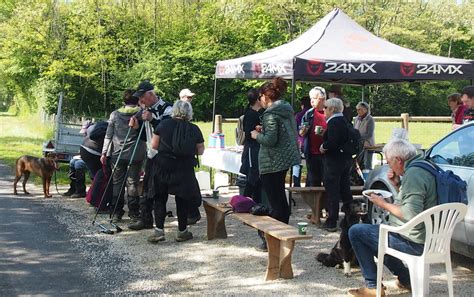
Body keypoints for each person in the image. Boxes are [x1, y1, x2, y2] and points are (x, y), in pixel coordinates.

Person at [348, 139, 437, 297]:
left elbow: (410, 214)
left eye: (389, 162)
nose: (390, 167)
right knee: (377, 234)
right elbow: (414, 202)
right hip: (431, 236)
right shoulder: (426, 166)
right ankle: (406, 279)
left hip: (415, 242)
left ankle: (373, 286)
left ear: (399, 160)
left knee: (356, 232)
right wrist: (396, 185)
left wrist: (382, 203)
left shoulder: (413, 175)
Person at [147, 100, 205, 243]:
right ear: (189, 112)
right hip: (184, 166)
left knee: (160, 197)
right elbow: (201, 150)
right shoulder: (194, 128)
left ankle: (159, 231)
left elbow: (154, 145)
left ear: (174, 111)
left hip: (163, 165)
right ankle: (182, 231)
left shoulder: (163, 125)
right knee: (182, 198)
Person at [251, 77, 300, 227]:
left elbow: (271, 140)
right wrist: (264, 129)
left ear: (265, 97)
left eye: (260, 97)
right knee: (280, 197)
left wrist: (256, 135)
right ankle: (283, 228)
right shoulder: (285, 109)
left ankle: (277, 234)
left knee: (275, 200)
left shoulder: (270, 114)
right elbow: (281, 134)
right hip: (284, 158)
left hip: (272, 161)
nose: (260, 101)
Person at [128, 81, 173, 231]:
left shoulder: (167, 108)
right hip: (151, 153)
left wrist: (152, 119)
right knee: (146, 186)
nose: (140, 101)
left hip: (165, 154)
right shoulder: (146, 110)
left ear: (150, 94)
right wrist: (137, 127)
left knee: (161, 189)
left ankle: (189, 214)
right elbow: (145, 136)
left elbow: (166, 131)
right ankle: (145, 218)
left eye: (142, 97)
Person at [101, 89, 146, 223]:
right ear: (137, 100)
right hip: (136, 153)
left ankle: (116, 212)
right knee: (133, 183)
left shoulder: (115, 114)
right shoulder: (142, 114)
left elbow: (108, 135)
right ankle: (134, 213)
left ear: (123, 101)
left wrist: (104, 152)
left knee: (117, 183)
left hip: (117, 152)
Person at [319, 98, 353, 232]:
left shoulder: (334, 121)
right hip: (345, 159)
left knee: (332, 190)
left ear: (332, 109)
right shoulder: (345, 120)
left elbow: (333, 142)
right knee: (345, 189)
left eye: (326, 107)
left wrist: (323, 146)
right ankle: (350, 217)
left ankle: (332, 220)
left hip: (334, 161)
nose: (324, 110)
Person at [179, 88, 202, 225]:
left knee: (188, 186)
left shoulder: (191, 127)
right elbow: (200, 150)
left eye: (191, 98)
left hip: (184, 159)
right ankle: (191, 213)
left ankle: (191, 213)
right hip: (186, 159)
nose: (190, 100)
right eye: (188, 98)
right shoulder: (191, 127)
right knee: (188, 186)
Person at [239, 88, 263, 203]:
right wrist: (259, 131)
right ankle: (243, 201)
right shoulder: (250, 114)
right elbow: (248, 134)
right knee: (252, 177)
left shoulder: (260, 113)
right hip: (252, 149)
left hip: (258, 149)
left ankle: (256, 203)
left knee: (257, 178)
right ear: (258, 99)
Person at [299, 87, 327, 187]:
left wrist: (325, 133)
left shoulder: (330, 112)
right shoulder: (308, 114)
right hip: (311, 154)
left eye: (314, 98)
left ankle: (327, 202)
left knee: (327, 181)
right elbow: (301, 132)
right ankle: (316, 203)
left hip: (327, 153)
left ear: (322, 99)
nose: (311, 101)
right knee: (314, 182)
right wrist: (303, 131)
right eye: (311, 98)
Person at [63, 120, 93, 198]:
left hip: (93, 159)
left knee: (78, 164)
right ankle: (73, 188)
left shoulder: (94, 137)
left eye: (85, 132)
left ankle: (80, 190)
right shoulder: (87, 138)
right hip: (87, 157)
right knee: (73, 161)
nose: (84, 134)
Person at [293, 96, 311, 186]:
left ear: (302, 105)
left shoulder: (298, 115)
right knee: (309, 164)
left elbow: (294, 129)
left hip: (299, 141)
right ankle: (308, 184)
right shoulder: (312, 114)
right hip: (309, 142)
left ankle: (296, 185)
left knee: (297, 164)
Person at [354, 101, 375, 170]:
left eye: (359, 109)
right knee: (359, 163)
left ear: (365, 110)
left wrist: (359, 138)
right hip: (358, 144)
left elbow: (369, 134)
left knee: (367, 164)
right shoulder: (356, 119)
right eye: (357, 109)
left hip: (367, 144)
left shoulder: (370, 119)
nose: (358, 111)